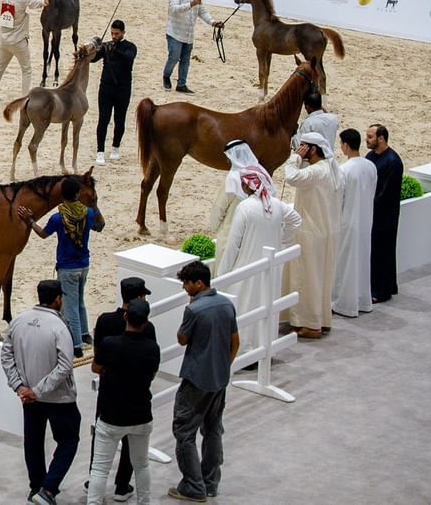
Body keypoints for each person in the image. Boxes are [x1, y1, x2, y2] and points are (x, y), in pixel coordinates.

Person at [1, 280, 80, 505]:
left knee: (33, 442)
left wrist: (20, 386)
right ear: (58, 299)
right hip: (58, 398)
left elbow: (6, 356)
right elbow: (65, 366)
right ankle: (48, 489)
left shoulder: (18, 321)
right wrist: (37, 390)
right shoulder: (59, 327)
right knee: (69, 440)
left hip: (28, 397)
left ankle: (35, 488)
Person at [168, 261, 239, 503]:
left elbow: (182, 339)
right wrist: (222, 367)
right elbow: (235, 342)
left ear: (199, 283)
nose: (185, 288)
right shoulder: (227, 305)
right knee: (213, 429)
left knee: (184, 432)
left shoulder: (194, 310)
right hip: (220, 379)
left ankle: (193, 486)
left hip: (196, 379)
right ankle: (210, 483)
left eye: (186, 284)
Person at [218, 165, 302, 353]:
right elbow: (296, 220)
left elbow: (233, 244)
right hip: (269, 266)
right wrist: (282, 240)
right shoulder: (276, 204)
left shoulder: (245, 208)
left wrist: (223, 273)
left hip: (246, 265)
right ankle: (263, 348)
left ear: (248, 185)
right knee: (266, 303)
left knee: (245, 306)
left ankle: (244, 350)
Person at [17, 177, 106, 356]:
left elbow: (43, 234)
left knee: (70, 304)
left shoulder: (58, 218)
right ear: (78, 194)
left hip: (67, 266)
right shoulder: (88, 213)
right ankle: (84, 333)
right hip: (84, 264)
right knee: (80, 301)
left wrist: (31, 221)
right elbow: (98, 225)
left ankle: (77, 344)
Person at [88, 277, 157, 502]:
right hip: (140, 407)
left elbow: (97, 365)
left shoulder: (106, 324)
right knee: (141, 463)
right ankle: (124, 487)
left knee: (99, 466)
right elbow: (152, 372)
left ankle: (94, 496)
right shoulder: (151, 343)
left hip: (111, 404)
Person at [283, 132, 344, 339]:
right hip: (325, 230)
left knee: (308, 278)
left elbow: (291, 177)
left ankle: (311, 324)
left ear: (313, 149)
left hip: (311, 232)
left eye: (303, 147)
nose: (300, 150)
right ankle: (321, 320)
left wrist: (294, 159)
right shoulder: (329, 169)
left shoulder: (317, 171)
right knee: (321, 276)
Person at [331, 129, 377, 318]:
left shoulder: (345, 169)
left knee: (345, 263)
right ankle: (362, 299)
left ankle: (345, 303)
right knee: (362, 260)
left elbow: (338, 198)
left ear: (346, 146)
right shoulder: (370, 166)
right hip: (366, 219)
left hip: (348, 222)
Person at [0, 0, 49, 104]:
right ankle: (24, 99)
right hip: (19, 41)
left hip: (4, 39)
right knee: (26, 70)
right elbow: (45, 2)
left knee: (0, 67)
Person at [165, 0, 223, 93]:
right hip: (175, 32)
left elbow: (202, 12)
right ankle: (166, 76)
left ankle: (181, 84)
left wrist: (213, 22)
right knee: (174, 57)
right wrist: (191, 4)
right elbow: (174, 9)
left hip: (189, 34)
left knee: (186, 60)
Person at [366, 124, 403, 304]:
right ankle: (386, 285)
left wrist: (370, 204)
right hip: (373, 212)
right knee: (375, 251)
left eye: (370, 136)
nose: (367, 139)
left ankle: (382, 291)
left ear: (381, 138)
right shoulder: (371, 157)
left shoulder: (393, 161)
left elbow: (387, 192)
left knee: (384, 251)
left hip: (385, 215)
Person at [91, 20, 136, 165]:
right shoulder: (106, 46)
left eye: (117, 33)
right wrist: (96, 47)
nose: (114, 36)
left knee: (119, 119)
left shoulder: (130, 47)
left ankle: (115, 148)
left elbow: (128, 59)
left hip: (123, 88)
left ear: (123, 33)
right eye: (112, 33)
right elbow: (93, 59)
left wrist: (114, 50)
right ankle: (100, 152)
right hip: (106, 87)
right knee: (103, 119)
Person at [208, 140, 260, 243]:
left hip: (232, 231)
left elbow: (220, 207)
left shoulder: (233, 178)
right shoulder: (261, 173)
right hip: (255, 229)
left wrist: (214, 226)